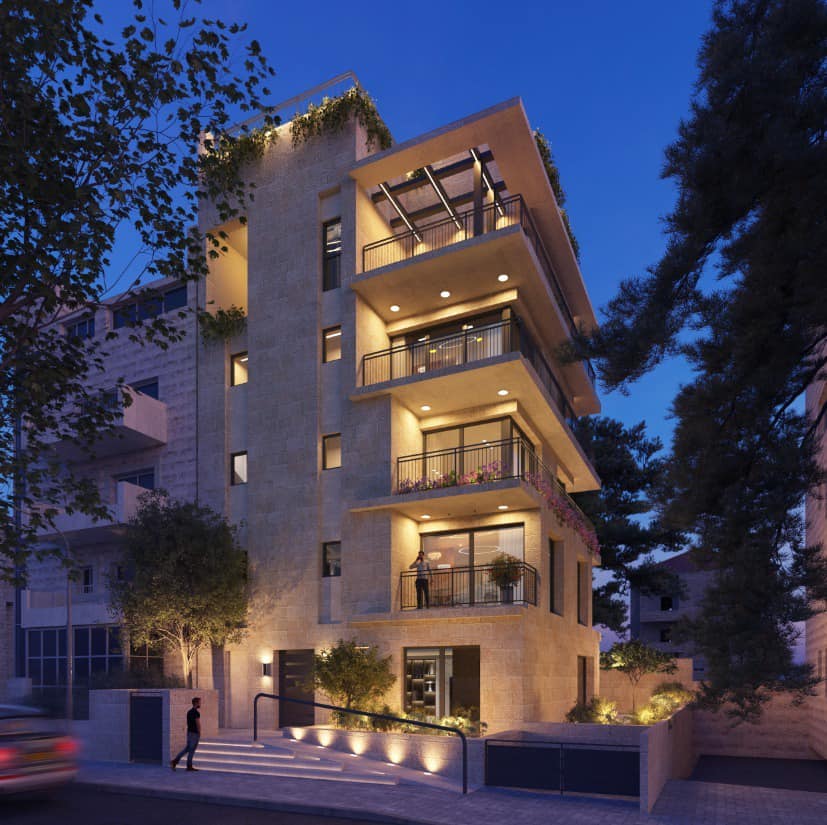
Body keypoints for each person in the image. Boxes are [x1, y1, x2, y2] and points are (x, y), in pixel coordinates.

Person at [171, 697, 201, 771]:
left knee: (187, 749)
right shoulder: (196, 712)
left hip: (189, 733)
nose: (200, 704)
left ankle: (175, 761)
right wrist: (199, 732)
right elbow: (198, 724)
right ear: (196, 703)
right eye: (199, 702)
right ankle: (189, 766)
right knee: (191, 750)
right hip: (194, 733)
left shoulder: (189, 712)